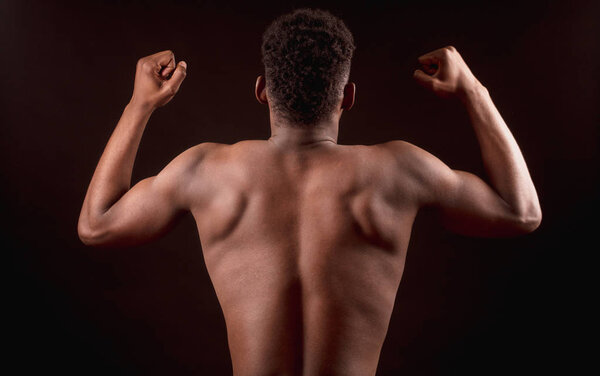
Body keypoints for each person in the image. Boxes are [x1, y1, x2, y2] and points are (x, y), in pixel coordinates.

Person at [78, 8, 541, 376]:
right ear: (347, 96)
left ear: (262, 90)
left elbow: (96, 226)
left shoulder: (205, 169)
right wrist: (474, 92)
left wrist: (139, 105)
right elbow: (521, 212)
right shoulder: (400, 169)